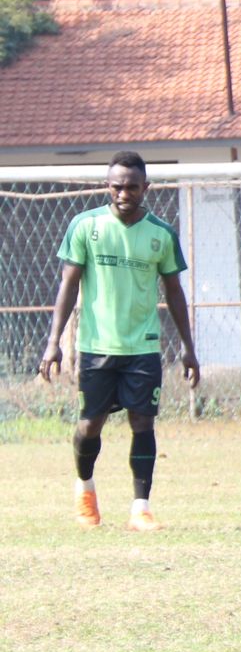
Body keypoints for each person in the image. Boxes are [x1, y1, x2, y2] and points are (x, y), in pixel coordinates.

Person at [39, 151, 200, 530]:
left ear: (146, 187)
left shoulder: (161, 234)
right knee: (89, 425)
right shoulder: (85, 226)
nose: (123, 193)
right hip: (95, 347)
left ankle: (140, 508)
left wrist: (190, 349)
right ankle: (85, 491)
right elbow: (68, 283)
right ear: (107, 187)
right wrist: (54, 341)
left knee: (143, 422)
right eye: (116, 186)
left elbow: (175, 293)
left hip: (142, 346)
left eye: (131, 187)